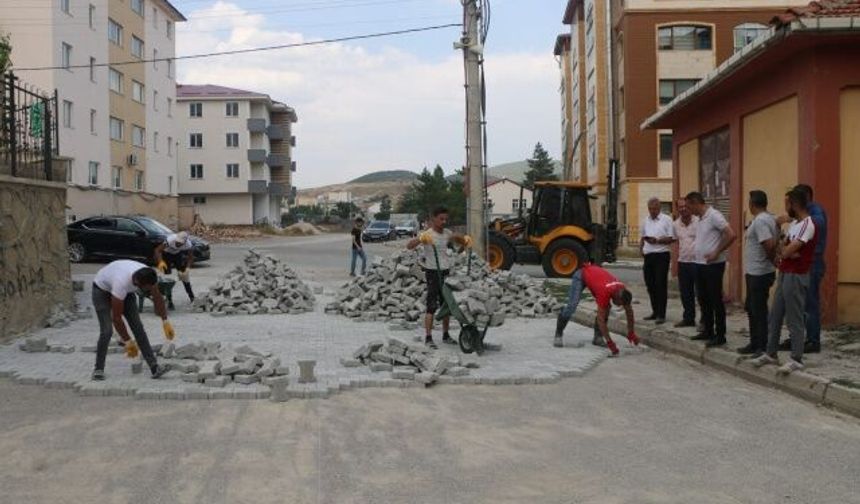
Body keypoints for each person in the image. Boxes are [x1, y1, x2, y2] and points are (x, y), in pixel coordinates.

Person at [751, 189, 817, 373]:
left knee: (794, 317)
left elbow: (786, 251)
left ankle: (797, 357)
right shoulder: (794, 224)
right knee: (776, 314)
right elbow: (782, 247)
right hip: (785, 272)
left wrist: (788, 251)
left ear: (795, 204)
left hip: (797, 275)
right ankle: (771, 353)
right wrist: (786, 248)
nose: (785, 208)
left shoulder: (807, 224)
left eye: (787, 203)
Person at [91, 260, 173, 380]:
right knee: (106, 331)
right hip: (101, 291)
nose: (148, 291)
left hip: (126, 291)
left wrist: (165, 321)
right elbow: (117, 318)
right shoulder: (121, 283)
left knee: (138, 328)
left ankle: (155, 367)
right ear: (137, 283)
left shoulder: (149, 275)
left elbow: (157, 297)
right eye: (146, 289)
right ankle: (98, 369)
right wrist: (128, 341)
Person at [406, 206, 472, 349]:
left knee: (446, 305)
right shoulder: (427, 234)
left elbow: (458, 250)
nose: (444, 221)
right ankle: (428, 337)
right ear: (433, 219)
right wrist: (420, 239)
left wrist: (465, 243)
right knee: (431, 306)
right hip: (432, 272)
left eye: (446, 219)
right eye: (441, 219)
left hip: (445, 272)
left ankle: (446, 335)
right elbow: (409, 246)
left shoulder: (447, 234)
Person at [777, 183, 827, 354]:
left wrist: (794, 219)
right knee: (797, 305)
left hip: (812, 263)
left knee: (810, 303)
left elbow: (817, 225)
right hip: (799, 264)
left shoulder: (815, 213)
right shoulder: (801, 218)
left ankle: (812, 341)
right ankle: (796, 338)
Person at [554, 263, 639, 356]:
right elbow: (601, 319)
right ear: (617, 297)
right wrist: (610, 342)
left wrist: (631, 333)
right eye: (620, 304)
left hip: (595, 278)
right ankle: (558, 333)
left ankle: (597, 338)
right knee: (572, 306)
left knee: (606, 309)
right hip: (582, 274)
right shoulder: (605, 292)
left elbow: (629, 312)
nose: (619, 306)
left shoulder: (622, 290)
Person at [686, 191, 736, 348]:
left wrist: (717, 251)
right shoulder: (700, 218)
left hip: (713, 265)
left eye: (689, 206)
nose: (688, 210)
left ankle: (720, 335)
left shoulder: (714, 215)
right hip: (700, 264)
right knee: (703, 299)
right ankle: (708, 330)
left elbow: (731, 234)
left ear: (696, 203)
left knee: (715, 300)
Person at [738, 190, 778, 356]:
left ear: (752, 204)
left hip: (759, 273)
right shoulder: (768, 218)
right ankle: (754, 343)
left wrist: (772, 260)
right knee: (752, 308)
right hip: (756, 271)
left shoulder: (761, 221)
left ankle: (761, 345)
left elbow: (768, 245)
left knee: (758, 310)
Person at [640, 197, 674, 324]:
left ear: (659, 208)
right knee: (650, 285)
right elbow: (643, 237)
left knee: (660, 284)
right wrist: (641, 249)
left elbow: (671, 238)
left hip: (661, 255)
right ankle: (654, 311)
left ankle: (661, 314)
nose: (652, 211)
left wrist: (658, 240)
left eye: (654, 209)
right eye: (650, 209)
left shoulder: (667, 220)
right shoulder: (646, 220)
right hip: (649, 255)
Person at [672, 197, 699, 328]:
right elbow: (676, 243)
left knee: (701, 293)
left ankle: (705, 321)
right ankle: (688, 318)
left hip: (698, 262)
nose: (683, 209)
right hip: (683, 262)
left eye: (685, 206)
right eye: (680, 207)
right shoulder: (676, 224)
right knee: (685, 293)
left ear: (690, 206)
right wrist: (675, 263)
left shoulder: (699, 221)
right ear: (677, 209)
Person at [154, 231, 195, 305]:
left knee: (184, 277)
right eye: (177, 242)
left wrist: (187, 269)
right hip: (166, 255)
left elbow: (191, 257)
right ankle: (169, 300)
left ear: (185, 242)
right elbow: (157, 250)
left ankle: (192, 297)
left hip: (177, 255)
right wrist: (160, 262)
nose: (178, 244)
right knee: (167, 280)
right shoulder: (170, 240)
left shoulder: (188, 245)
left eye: (180, 243)